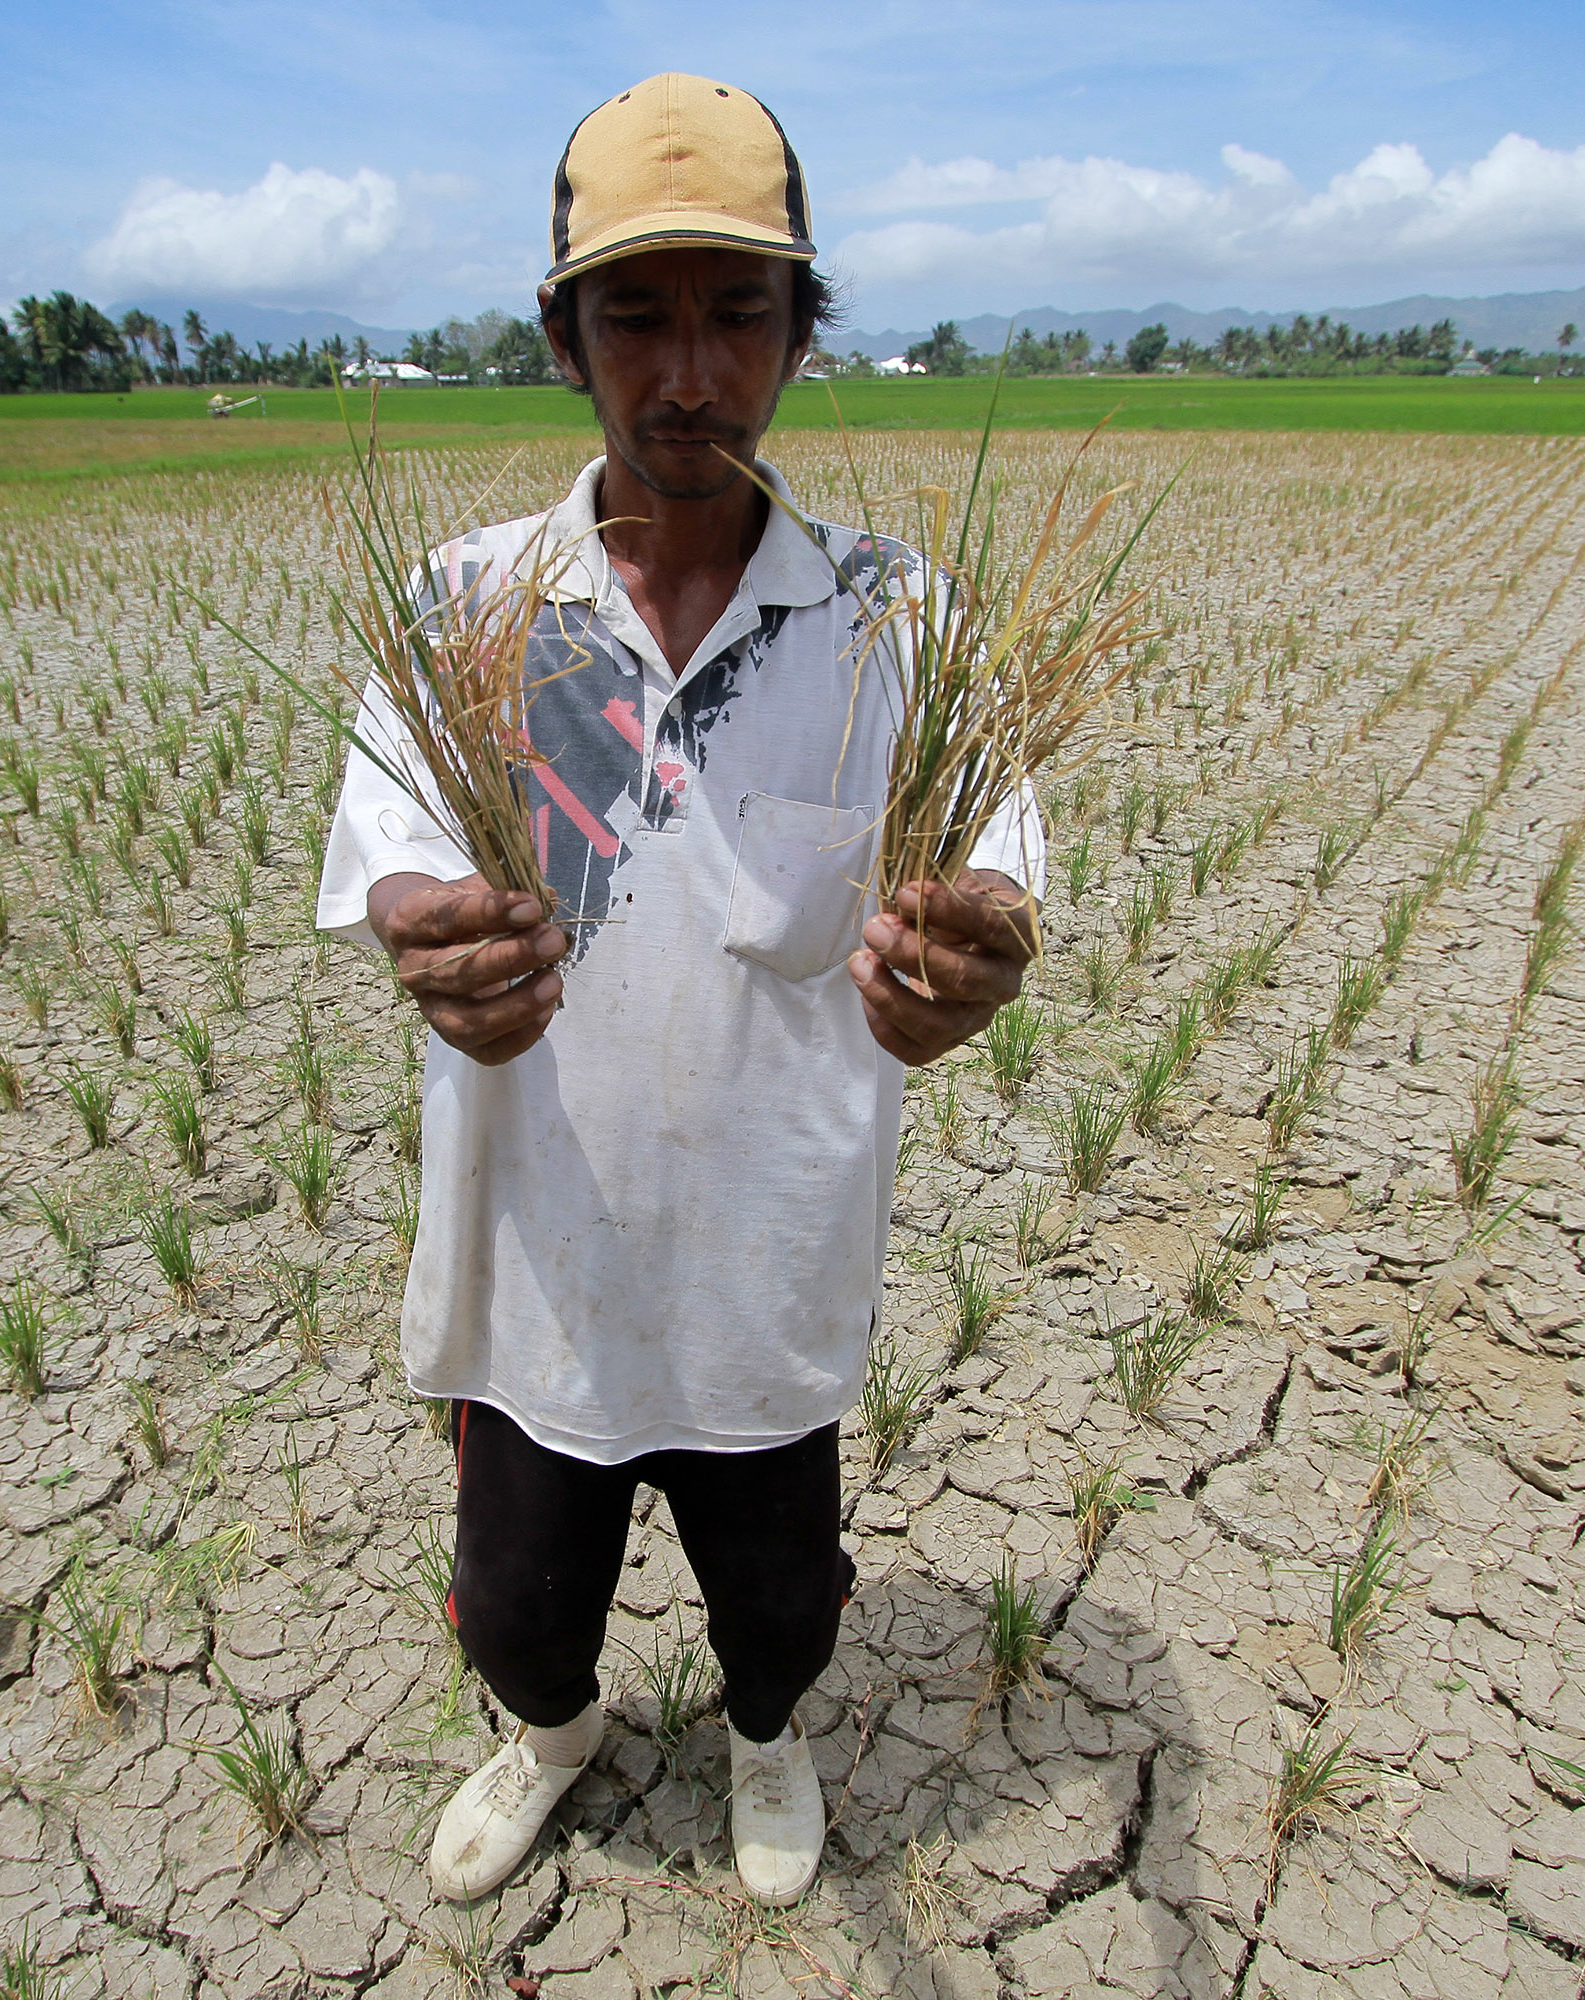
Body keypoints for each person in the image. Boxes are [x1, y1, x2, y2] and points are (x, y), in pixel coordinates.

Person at [314, 71, 1043, 1910]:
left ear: (804, 332)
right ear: (566, 338)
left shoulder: (897, 617)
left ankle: (768, 1738)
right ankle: (552, 1736)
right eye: (637, 313)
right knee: (522, 1604)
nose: (691, 369)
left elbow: (994, 877)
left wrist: (972, 958)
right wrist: (435, 941)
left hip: (771, 1252)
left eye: (741, 310)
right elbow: (392, 850)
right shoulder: (466, 600)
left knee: (782, 1595)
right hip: (541, 1253)